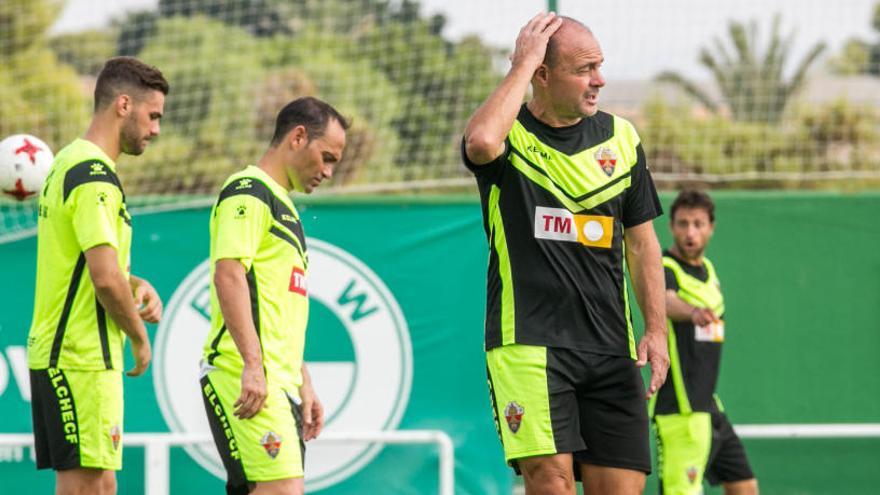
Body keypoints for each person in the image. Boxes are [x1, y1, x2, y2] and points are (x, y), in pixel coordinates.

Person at [462, 12, 670, 494]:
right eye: (583, 69)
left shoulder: (622, 139)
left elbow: (642, 245)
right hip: (530, 346)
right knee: (551, 481)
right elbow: (480, 142)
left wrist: (655, 330)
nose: (598, 80)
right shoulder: (508, 136)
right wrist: (521, 62)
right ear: (542, 75)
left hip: (611, 348)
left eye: (599, 66)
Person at [27, 56, 168, 495]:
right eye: (153, 115)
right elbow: (103, 278)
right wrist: (140, 340)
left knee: (102, 486)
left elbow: (95, 267)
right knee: (87, 488)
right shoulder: (93, 176)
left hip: (82, 357)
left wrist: (135, 284)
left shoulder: (70, 161)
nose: (156, 129)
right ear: (123, 104)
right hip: (77, 356)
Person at [200, 97, 347, 495]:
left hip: (275, 382)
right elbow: (228, 275)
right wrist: (252, 365)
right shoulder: (248, 191)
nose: (329, 172)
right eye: (326, 157)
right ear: (298, 137)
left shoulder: (283, 205)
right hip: (241, 374)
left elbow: (276, 312)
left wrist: (304, 383)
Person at [651, 190, 759, 495]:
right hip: (680, 410)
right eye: (683, 224)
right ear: (671, 226)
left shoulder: (709, 272)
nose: (690, 232)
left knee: (744, 485)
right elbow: (665, 301)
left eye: (698, 224)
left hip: (709, 406)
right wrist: (692, 312)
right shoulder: (664, 267)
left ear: (711, 227)